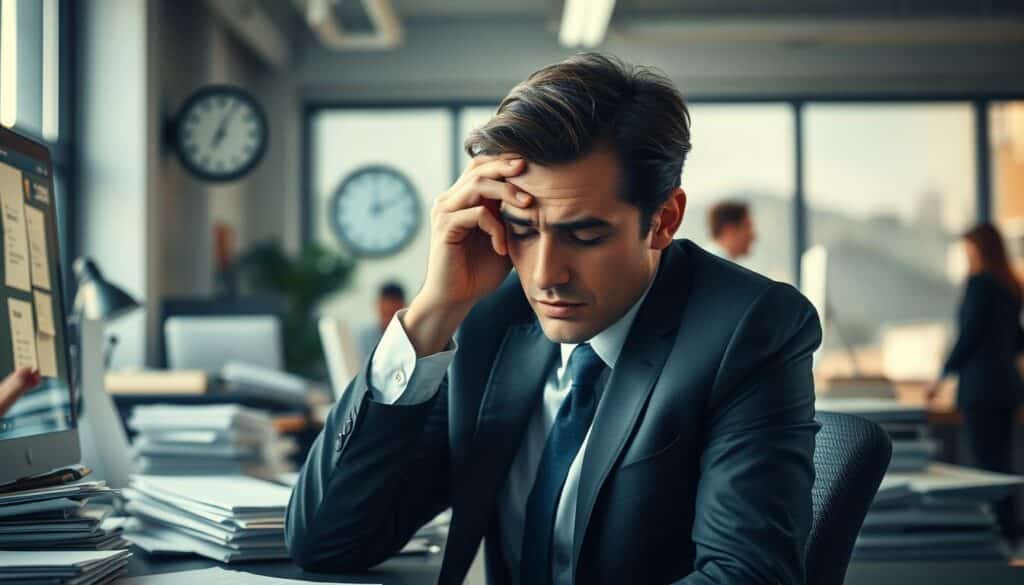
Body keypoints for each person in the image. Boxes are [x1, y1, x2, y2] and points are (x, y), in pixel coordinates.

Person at [286, 53, 821, 585]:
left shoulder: (747, 328)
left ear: (664, 220)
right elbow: (326, 542)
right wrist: (434, 311)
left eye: (585, 236)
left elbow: (748, 575)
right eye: (521, 229)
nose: (544, 275)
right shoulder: (486, 316)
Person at [927, 223, 1024, 546]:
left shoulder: (979, 284)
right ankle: (1009, 532)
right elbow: (1017, 342)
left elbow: (968, 337)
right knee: (1002, 464)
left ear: (980, 249)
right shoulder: (1010, 286)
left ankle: (993, 537)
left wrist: (942, 375)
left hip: (981, 390)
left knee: (985, 468)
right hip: (1007, 388)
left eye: (968, 248)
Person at [354, 281, 407, 362]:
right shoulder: (363, 337)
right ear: (377, 306)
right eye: (385, 314)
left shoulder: (412, 339)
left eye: (392, 314)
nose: (388, 320)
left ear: (404, 308)